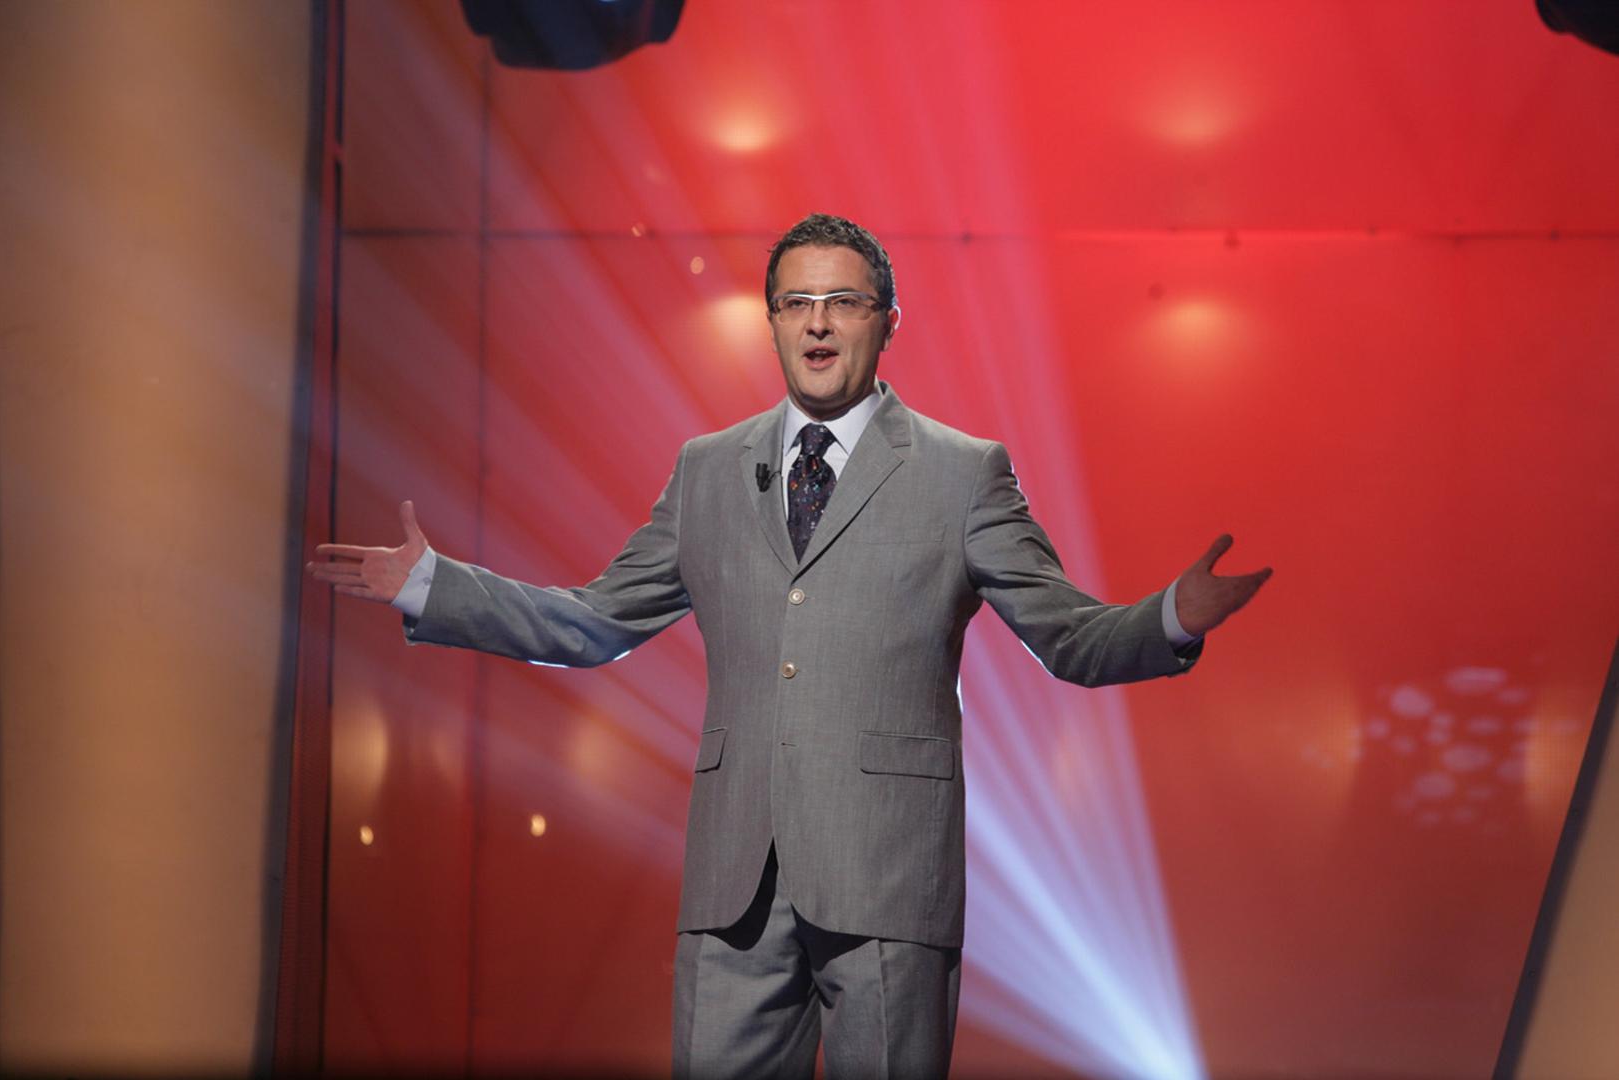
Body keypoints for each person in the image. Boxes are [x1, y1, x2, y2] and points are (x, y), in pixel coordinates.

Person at [309, 213, 1271, 1078]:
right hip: (735, 885)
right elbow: (594, 621)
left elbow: (1068, 637)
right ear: (770, 321)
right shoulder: (706, 471)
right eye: (795, 303)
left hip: (887, 878)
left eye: (843, 302)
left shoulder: (962, 473)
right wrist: (434, 586)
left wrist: (1170, 617)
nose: (817, 324)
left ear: (887, 321)